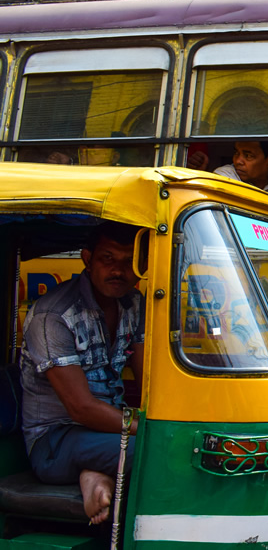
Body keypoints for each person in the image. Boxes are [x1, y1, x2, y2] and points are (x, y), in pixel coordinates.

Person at [19, 221, 145, 525]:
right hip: (55, 441)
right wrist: (150, 428)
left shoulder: (134, 304)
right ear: (87, 259)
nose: (118, 270)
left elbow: (147, 380)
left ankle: (94, 473)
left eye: (129, 262)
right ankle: (93, 470)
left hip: (107, 431)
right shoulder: (53, 316)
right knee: (153, 452)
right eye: (107, 259)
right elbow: (81, 408)